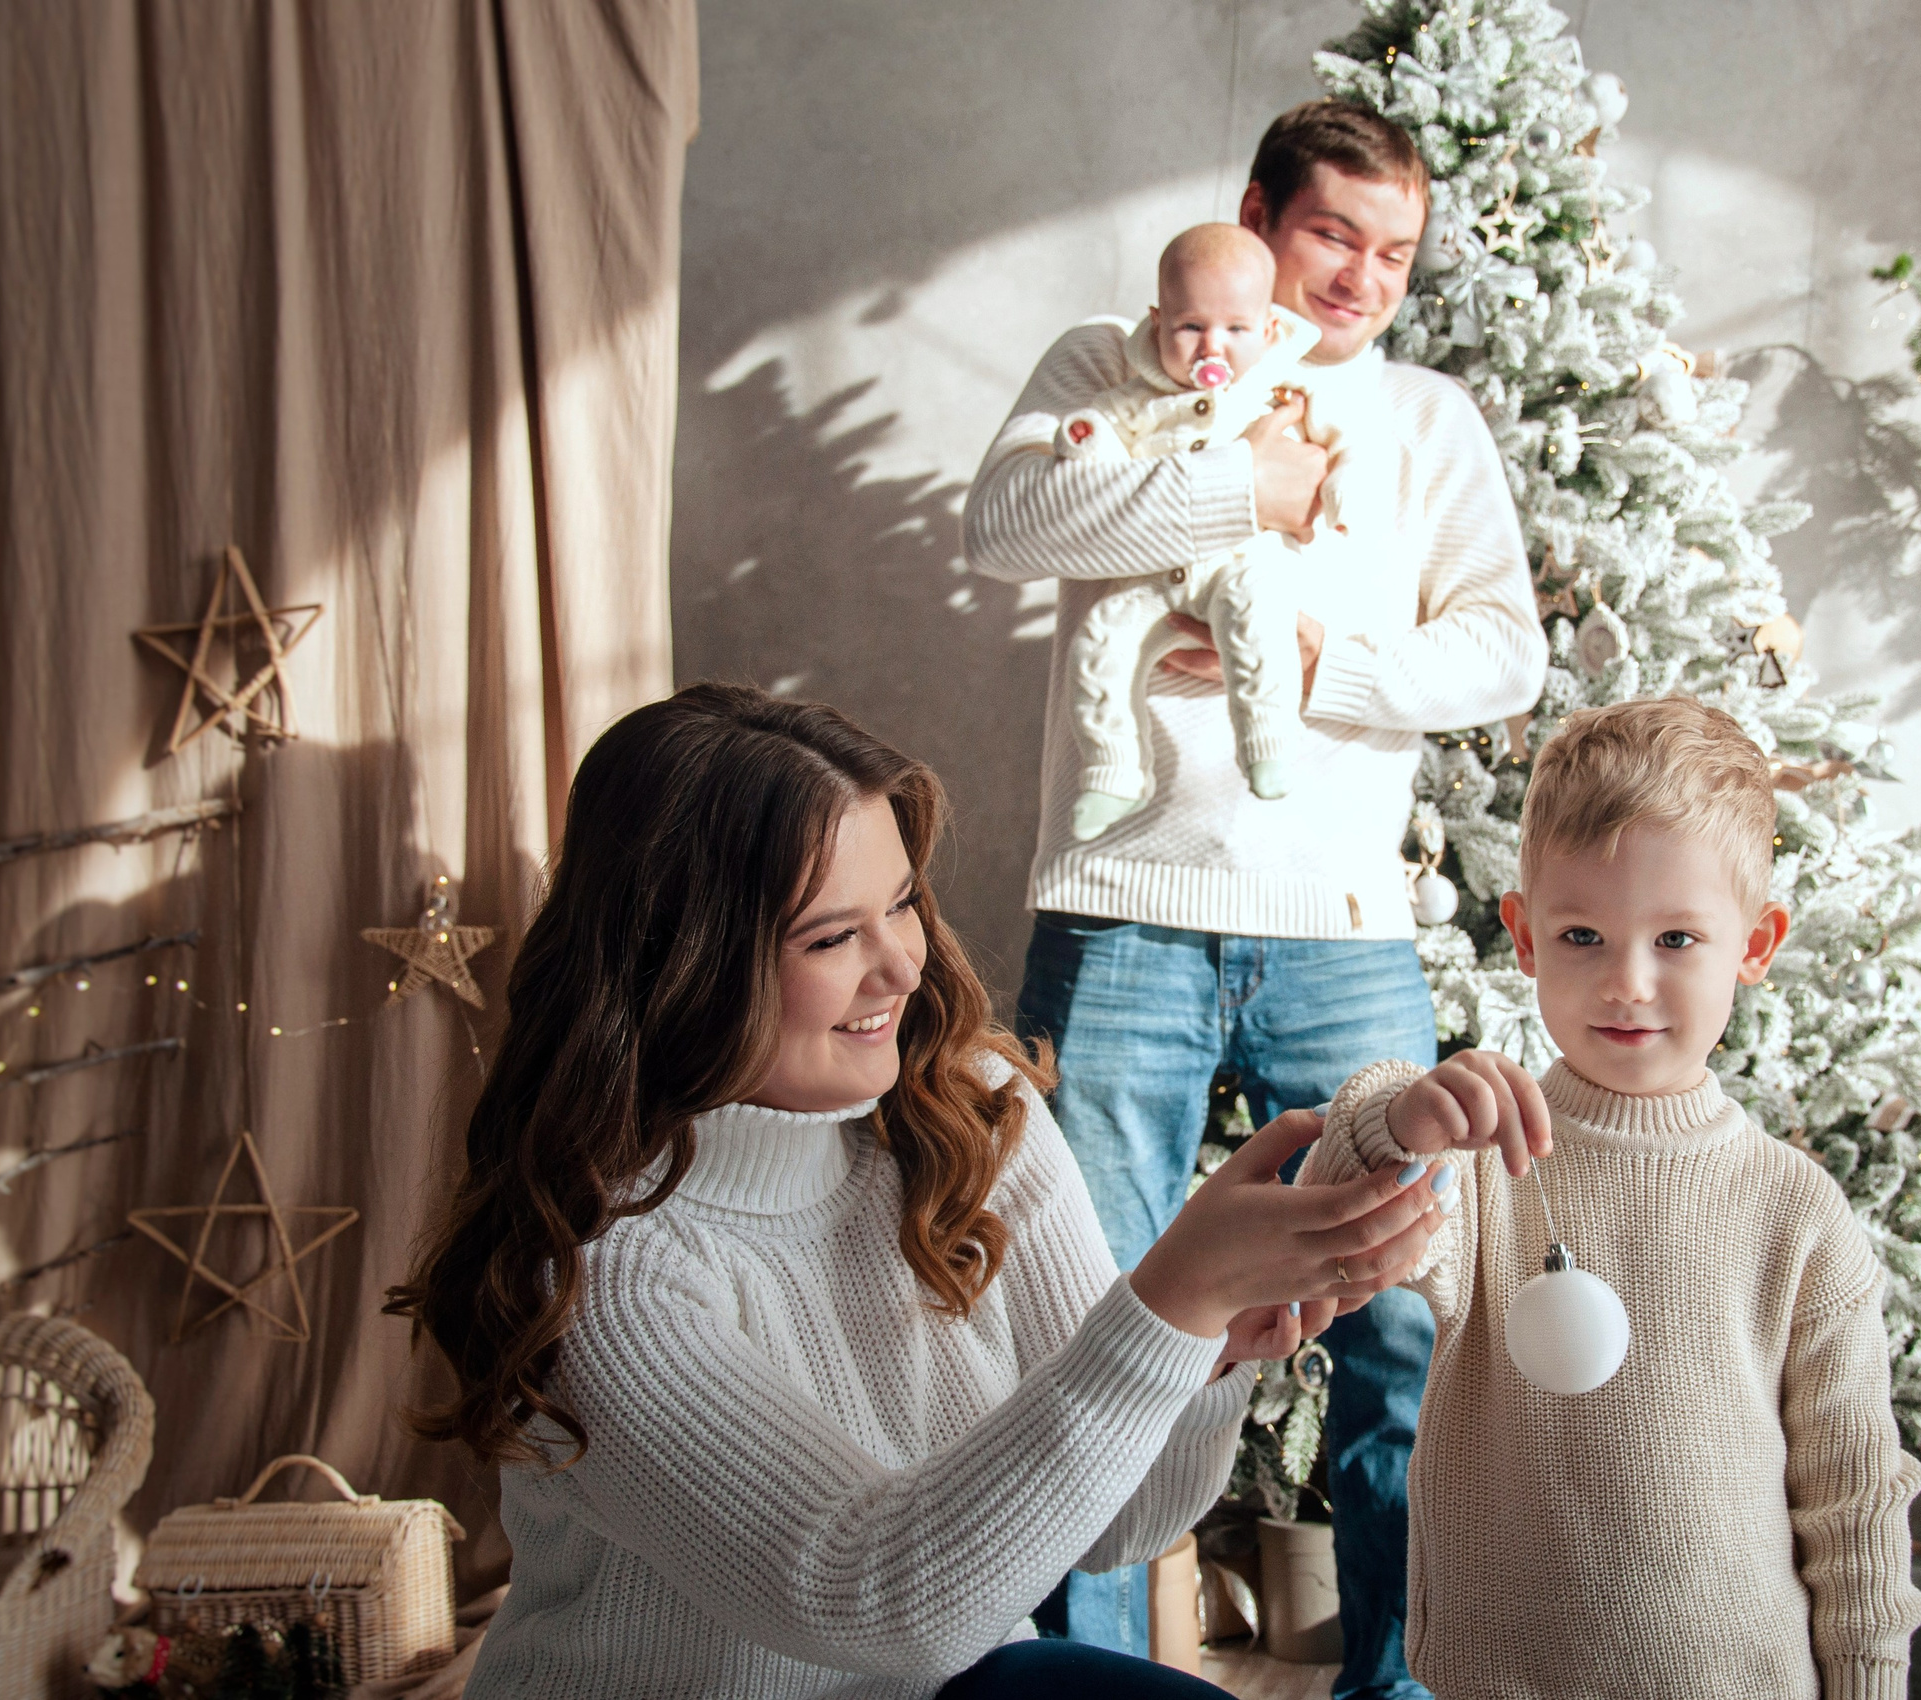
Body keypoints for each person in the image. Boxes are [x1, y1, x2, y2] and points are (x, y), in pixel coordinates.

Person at [386, 684, 1450, 1700]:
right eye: (831, 934)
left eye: (899, 901)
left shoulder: (968, 1107)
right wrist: (1169, 1297)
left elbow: (1112, 1524)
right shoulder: (606, 1270)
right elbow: (867, 1593)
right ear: (681, 966)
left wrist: (1207, 1343)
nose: (901, 963)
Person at [964, 99, 1545, 1695]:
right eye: (1333, 235)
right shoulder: (1120, 359)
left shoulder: (1425, 419)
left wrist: (1316, 663)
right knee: (1084, 1318)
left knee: (1404, 1325)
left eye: (1395, 253)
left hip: (1345, 929)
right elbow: (1007, 524)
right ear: (1255, 214)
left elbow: (1506, 649)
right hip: (1122, 905)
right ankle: (1085, 1681)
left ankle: (1397, 1678)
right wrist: (1247, 495)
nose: (1361, 278)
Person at [1297, 698, 1921, 1699]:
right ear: (1525, 937)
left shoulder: (1792, 1209)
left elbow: (1852, 1503)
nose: (1626, 982)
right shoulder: (1482, 1157)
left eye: (1676, 938)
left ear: (1755, 944)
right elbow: (1329, 1215)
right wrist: (1401, 1117)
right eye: (1583, 934)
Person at [1052, 222, 1391, 835]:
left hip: (1240, 567)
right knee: (1100, 639)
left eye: (1236, 330)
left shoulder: (1284, 387)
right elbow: (1097, 433)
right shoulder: (1140, 396)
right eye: (1191, 327)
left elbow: (1350, 446)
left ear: (1267, 329)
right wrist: (1085, 441)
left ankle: (1266, 744)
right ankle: (1114, 771)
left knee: (1256, 612)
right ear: (1158, 323)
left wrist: (1343, 492)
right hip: (1157, 579)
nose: (1214, 347)